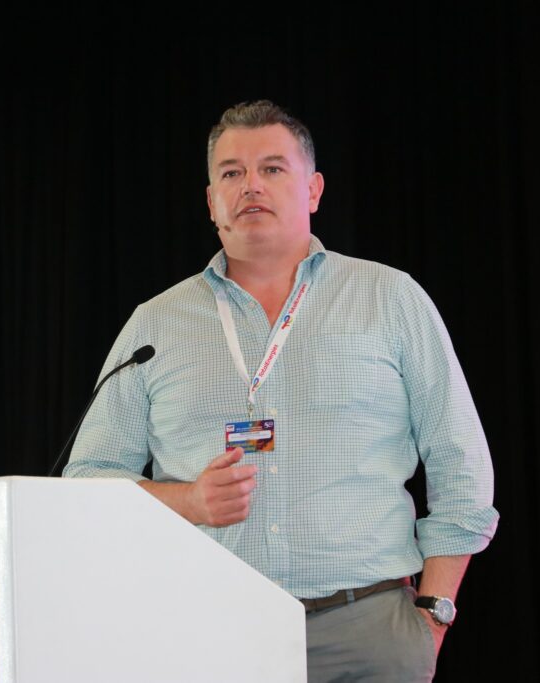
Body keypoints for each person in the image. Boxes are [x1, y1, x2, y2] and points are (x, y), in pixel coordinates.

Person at [63, 100, 498, 682]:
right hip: (208, 631)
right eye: (232, 172)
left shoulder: (391, 300)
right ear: (211, 200)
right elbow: (87, 480)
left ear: (313, 190)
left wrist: (434, 612)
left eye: (272, 168)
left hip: (369, 629)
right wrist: (189, 501)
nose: (251, 186)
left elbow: (461, 465)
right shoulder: (155, 325)